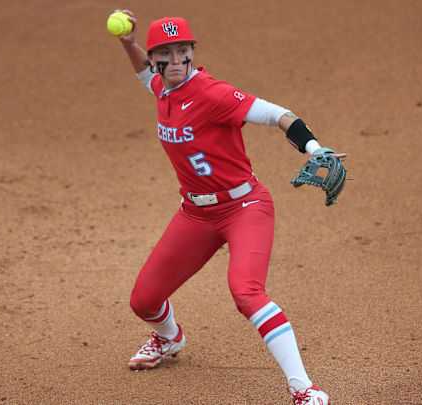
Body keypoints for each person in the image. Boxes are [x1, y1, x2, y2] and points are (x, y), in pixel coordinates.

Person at [112, 10, 345, 404]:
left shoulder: (211, 93)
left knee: (246, 291)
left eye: (181, 51)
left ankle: (303, 388)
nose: (173, 61)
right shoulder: (161, 89)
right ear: (155, 59)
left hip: (245, 208)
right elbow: (143, 74)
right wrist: (128, 43)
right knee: (144, 301)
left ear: (191, 54)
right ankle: (169, 338)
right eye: (163, 53)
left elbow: (276, 114)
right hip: (195, 215)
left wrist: (313, 147)